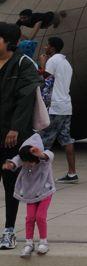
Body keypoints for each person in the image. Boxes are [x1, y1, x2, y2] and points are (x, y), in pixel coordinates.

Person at [0, 23, 40, 250]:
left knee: (9, 184)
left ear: (7, 41)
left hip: (11, 137)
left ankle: (8, 231)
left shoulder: (24, 64)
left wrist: (15, 128)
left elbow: (26, 99)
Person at [2, 132, 55, 258]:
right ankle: (29, 242)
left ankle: (43, 241)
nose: (28, 165)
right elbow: (17, 160)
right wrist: (11, 165)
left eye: (30, 162)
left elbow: (49, 155)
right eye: (26, 162)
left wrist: (39, 154)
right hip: (30, 194)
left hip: (44, 192)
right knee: (30, 218)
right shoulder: (24, 159)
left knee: (40, 217)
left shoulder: (43, 160)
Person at [41, 36, 76, 183]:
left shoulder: (52, 60)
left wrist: (42, 63)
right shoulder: (66, 63)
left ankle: (40, 176)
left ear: (53, 48)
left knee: (44, 142)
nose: (45, 48)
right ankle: (72, 173)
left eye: (47, 46)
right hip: (65, 105)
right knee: (66, 139)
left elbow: (46, 79)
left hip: (55, 106)